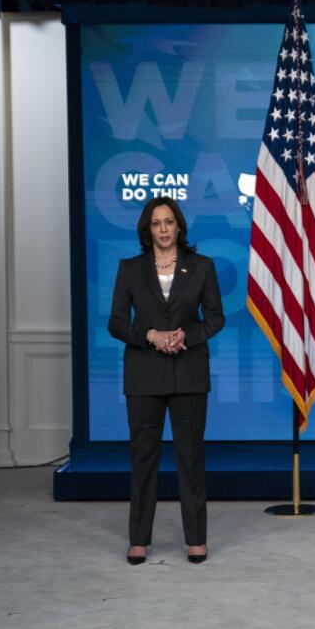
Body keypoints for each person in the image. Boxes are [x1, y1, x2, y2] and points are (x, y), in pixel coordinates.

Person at [108, 196, 225, 565]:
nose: (163, 229)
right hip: (144, 374)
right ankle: (139, 538)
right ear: (147, 229)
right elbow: (116, 322)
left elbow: (216, 317)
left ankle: (196, 538)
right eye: (156, 223)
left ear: (179, 227)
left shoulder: (202, 267)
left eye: (169, 222)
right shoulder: (129, 268)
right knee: (143, 459)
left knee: (191, 458)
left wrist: (185, 336)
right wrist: (151, 336)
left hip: (189, 372)